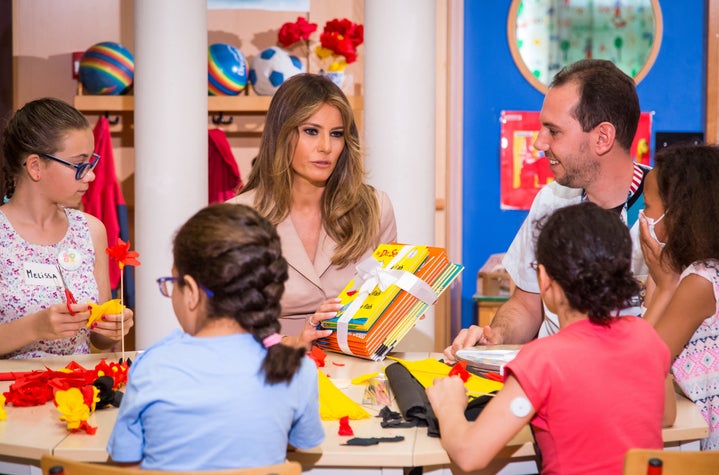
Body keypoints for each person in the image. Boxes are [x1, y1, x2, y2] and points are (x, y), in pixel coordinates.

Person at [428, 202, 674, 474]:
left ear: (544, 278)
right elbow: (666, 415)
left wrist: (449, 405)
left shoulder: (543, 358)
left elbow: (469, 454)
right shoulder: (646, 336)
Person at [445, 59, 649, 360]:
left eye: (554, 131)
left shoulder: (669, 210)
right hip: (554, 382)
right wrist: (495, 336)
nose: (540, 143)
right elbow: (527, 303)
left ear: (602, 138)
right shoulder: (551, 200)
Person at [107, 203, 324, 470]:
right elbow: (305, 444)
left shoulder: (153, 366)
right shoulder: (297, 368)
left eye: (172, 283)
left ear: (191, 292)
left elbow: (123, 462)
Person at [227, 73, 397, 344]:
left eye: (337, 134)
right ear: (281, 134)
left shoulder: (376, 208)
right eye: (311, 131)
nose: (326, 147)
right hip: (269, 369)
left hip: (355, 371)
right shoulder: (235, 218)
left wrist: (401, 308)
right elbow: (223, 326)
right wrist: (292, 343)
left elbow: (385, 312)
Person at [0, 97, 133, 359]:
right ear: (36, 166)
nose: (90, 176)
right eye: (78, 165)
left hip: (79, 393)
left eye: (91, 163)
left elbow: (98, 338)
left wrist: (113, 326)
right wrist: (35, 327)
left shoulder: (91, 230)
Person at [639, 144, 719, 450]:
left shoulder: (700, 281)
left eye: (647, 207)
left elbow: (643, 362)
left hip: (701, 446)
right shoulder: (697, 272)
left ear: (679, 213)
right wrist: (661, 281)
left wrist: (667, 285)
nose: (643, 218)